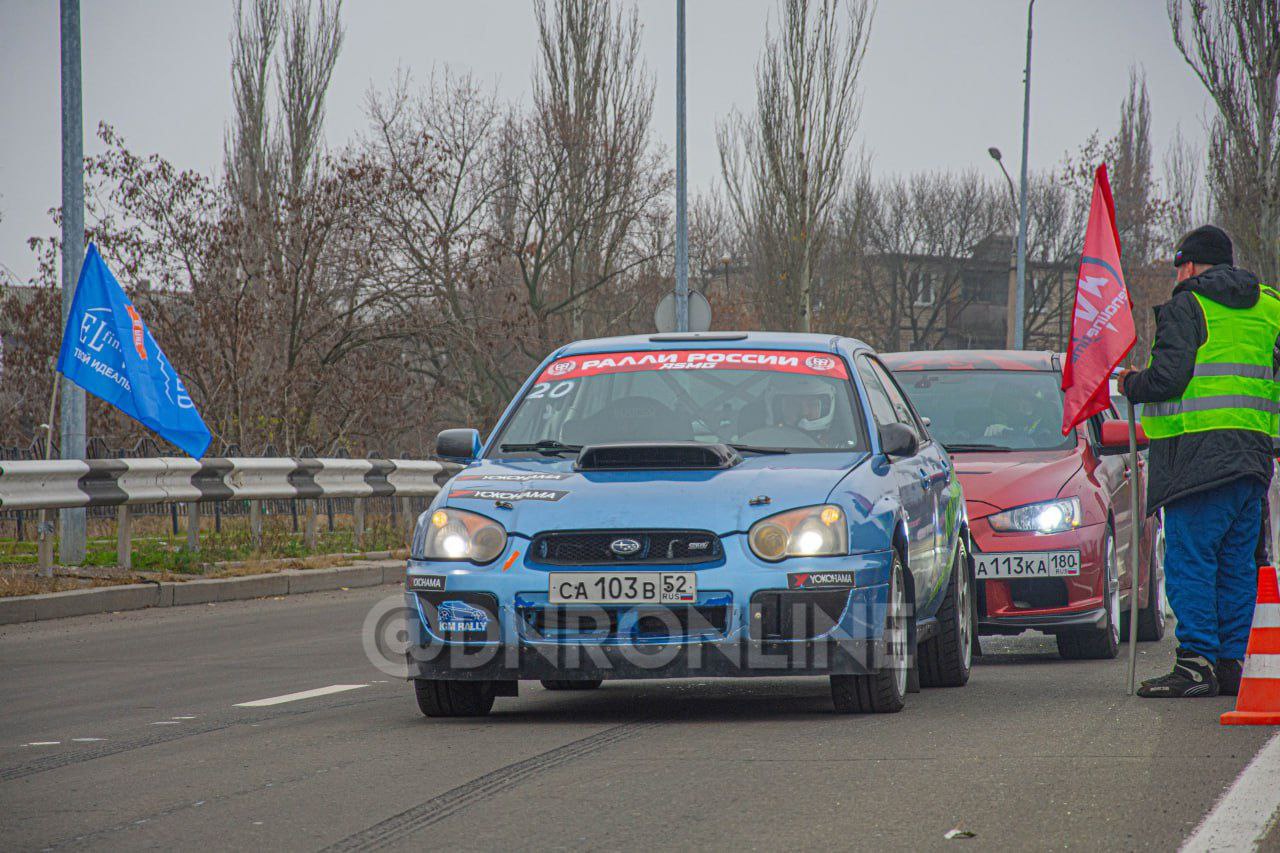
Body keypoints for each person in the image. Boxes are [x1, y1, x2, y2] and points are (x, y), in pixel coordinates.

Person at [1119, 225, 1280, 698]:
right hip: (1252, 460)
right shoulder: (1270, 306)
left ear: (1188, 265)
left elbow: (1168, 378)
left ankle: (1195, 664)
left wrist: (1132, 383)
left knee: (1191, 561)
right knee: (1236, 563)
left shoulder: (1186, 306)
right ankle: (1233, 663)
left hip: (1196, 461)